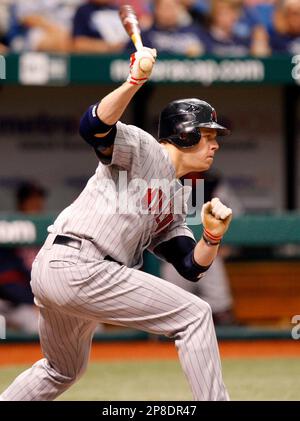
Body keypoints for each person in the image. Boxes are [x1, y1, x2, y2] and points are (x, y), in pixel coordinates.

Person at [0, 46, 233, 401]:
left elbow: (189, 265)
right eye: (208, 134)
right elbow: (92, 127)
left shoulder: (178, 196)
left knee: (62, 369)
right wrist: (134, 81)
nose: (215, 144)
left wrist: (212, 238)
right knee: (196, 314)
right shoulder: (145, 147)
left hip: (61, 271)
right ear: (184, 133)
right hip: (80, 263)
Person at [0, 182, 47, 333]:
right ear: (22, 203)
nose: (37, 204)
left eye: (39, 199)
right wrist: (33, 302)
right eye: (31, 200)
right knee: (37, 326)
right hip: (14, 303)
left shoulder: (50, 231)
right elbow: (7, 281)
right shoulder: (9, 233)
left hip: (43, 301)